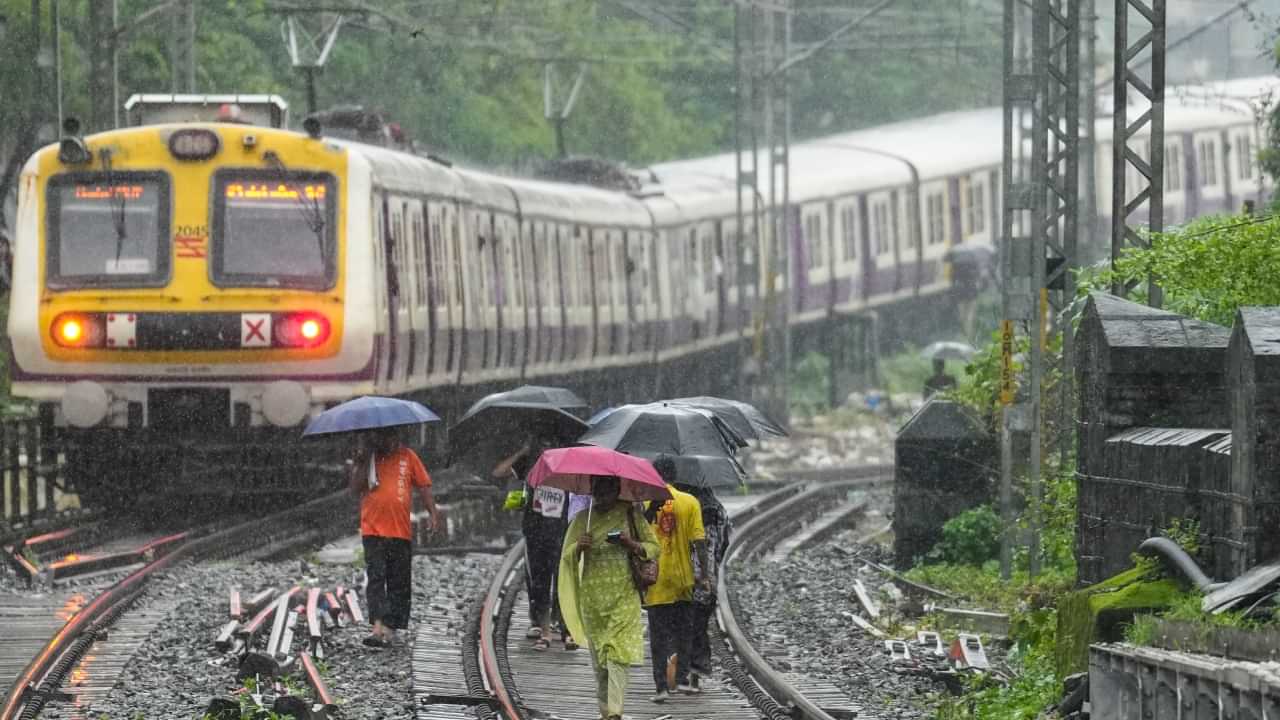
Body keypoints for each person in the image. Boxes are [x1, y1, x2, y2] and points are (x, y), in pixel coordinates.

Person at [558, 476, 660, 720]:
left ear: (616, 490)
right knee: (601, 664)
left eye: (607, 490)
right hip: (592, 600)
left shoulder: (630, 514)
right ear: (592, 490)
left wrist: (630, 543)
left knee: (617, 655)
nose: (602, 496)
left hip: (624, 595)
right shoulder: (584, 519)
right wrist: (579, 547)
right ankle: (605, 713)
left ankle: (615, 712)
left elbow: (653, 547)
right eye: (598, 490)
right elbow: (566, 557)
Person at [348, 426, 441, 648]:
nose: (386, 441)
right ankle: (378, 627)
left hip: (399, 530)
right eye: (381, 436)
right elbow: (355, 488)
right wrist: (362, 461)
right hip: (373, 529)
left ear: (397, 437)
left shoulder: (408, 457)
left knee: (399, 581)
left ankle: (391, 626)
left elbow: (424, 485)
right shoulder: (369, 458)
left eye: (390, 436)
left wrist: (433, 513)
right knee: (377, 578)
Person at [492, 437, 576, 651]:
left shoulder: (569, 468)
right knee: (539, 581)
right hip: (535, 532)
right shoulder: (531, 465)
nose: (547, 450)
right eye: (542, 447)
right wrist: (522, 452)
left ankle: (564, 626)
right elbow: (499, 472)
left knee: (562, 581)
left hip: (561, 532)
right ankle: (541, 626)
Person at [644, 458, 709, 703]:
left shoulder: (647, 502)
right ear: (675, 474)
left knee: (658, 636)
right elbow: (699, 542)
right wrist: (704, 574)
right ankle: (681, 679)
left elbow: (638, 534)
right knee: (684, 632)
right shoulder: (690, 501)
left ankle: (661, 686)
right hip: (683, 579)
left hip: (656, 579)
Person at [680, 482, 730, 691]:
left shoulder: (683, 506)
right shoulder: (718, 509)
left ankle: (685, 669)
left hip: (685, 576)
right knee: (699, 626)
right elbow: (725, 542)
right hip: (708, 578)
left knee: (684, 625)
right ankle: (696, 671)